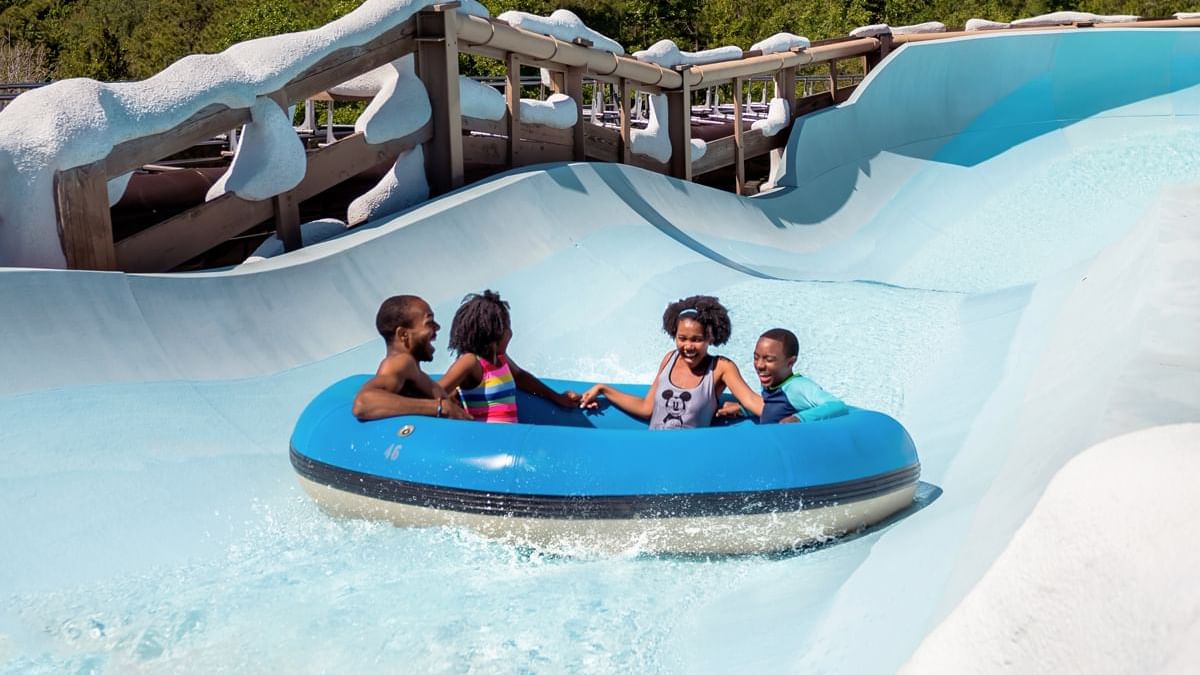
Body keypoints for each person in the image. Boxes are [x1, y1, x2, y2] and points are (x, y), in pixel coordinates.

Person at [579, 295, 761, 429]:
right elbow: (646, 408)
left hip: (689, 457)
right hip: (655, 449)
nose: (688, 346)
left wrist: (786, 411)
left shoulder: (721, 367)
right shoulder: (669, 359)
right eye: (682, 338)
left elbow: (752, 399)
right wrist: (603, 389)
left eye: (696, 340)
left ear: (710, 338)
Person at [438, 290, 581, 422]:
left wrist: (556, 397)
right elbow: (437, 390)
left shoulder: (500, 359)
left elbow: (520, 377)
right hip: (488, 442)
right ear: (492, 332)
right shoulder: (471, 362)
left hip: (510, 440)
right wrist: (448, 402)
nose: (511, 333)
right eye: (507, 327)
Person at [352, 295, 471, 421]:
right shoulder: (400, 362)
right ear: (403, 334)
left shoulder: (411, 369)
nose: (437, 327)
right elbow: (363, 403)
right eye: (429, 323)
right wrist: (440, 407)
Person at [750, 328, 848, 424]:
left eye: (769, 360)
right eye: (756, 357)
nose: (760, 365)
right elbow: (771, 404)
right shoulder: (771, 382)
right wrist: (744, 409)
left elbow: (837, 405)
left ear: (790, 362)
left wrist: (799, 418)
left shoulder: (797, 387)